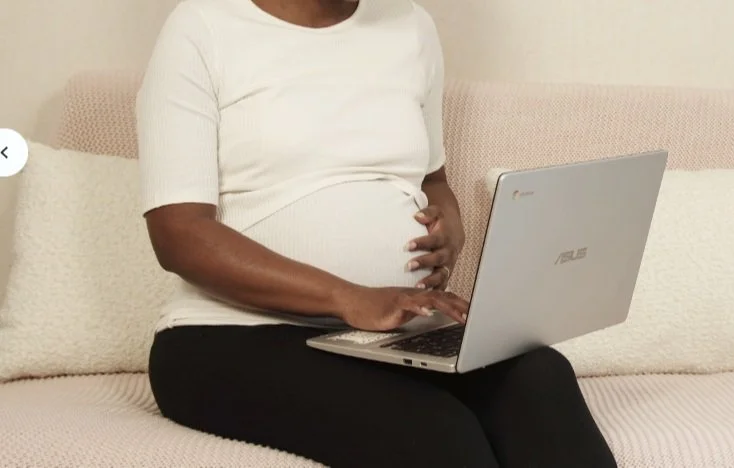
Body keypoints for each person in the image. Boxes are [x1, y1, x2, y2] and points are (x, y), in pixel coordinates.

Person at [137, 0, 617, 467]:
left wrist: (450, 226)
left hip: (387, 334)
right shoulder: (202, 26)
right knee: (436, 432)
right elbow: (179, 234)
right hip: (232, 333)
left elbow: (432, 180)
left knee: (540, 378)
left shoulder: (411, 25)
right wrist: (347, 297)